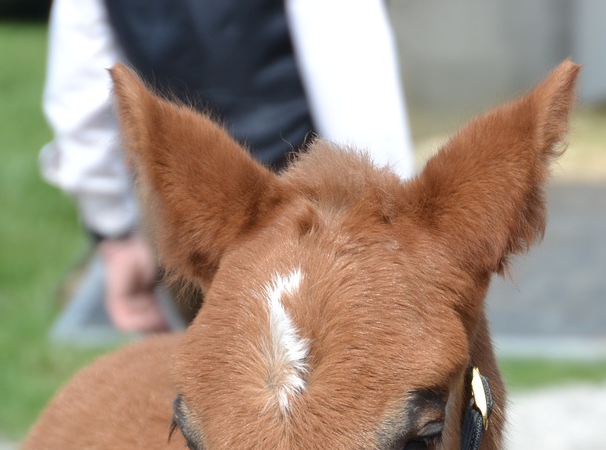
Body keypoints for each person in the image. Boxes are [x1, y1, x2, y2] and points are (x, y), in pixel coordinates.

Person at [40, 0, 414, 333]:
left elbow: (80, 91)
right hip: (305, 200)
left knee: (218, 374)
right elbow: (348, 61)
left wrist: (114, 234)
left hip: (183, 204)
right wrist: (385, 218)